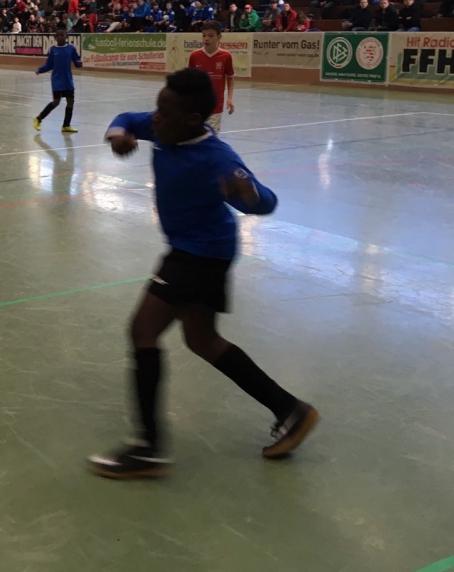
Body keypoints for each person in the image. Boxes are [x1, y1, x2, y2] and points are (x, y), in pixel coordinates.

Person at [88, 69, 319, 479]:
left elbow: (265, 202)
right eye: (157, 110)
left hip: (200, 254)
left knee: (142, 331)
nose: (154, 119)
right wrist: (118, 135)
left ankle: (148, 448)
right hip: (195, 249)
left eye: (163, 113)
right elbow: (126, 118)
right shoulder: (165, 127)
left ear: (192, 119)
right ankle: (290, 410)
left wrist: (247, 194)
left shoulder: (218, 158)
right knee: (202, 340)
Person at [188, 20, 234, 133]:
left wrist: (229, 99)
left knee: (211, 137)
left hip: (216, 106)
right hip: (197, 106)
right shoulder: (194, 56)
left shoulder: (226, 56)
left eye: (211, 36)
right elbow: (189, 81)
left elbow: (230, 78)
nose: (206, 39)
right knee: (195, 137)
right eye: (204, 35)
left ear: (219, 37)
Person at [33, 29, 81, 134]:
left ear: (66, 37)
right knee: (56, 102)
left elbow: (77, 61)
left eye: (62, 35)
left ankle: (66, 125)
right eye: (58, 35)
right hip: (57, 79)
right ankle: (38, 119)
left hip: (68, 79)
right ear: (55, 37)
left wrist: (79, 63)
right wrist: (40, 69)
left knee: (71, 101)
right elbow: (49, 64)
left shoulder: (71, 48)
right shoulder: (53, 49)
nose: (60, 37)